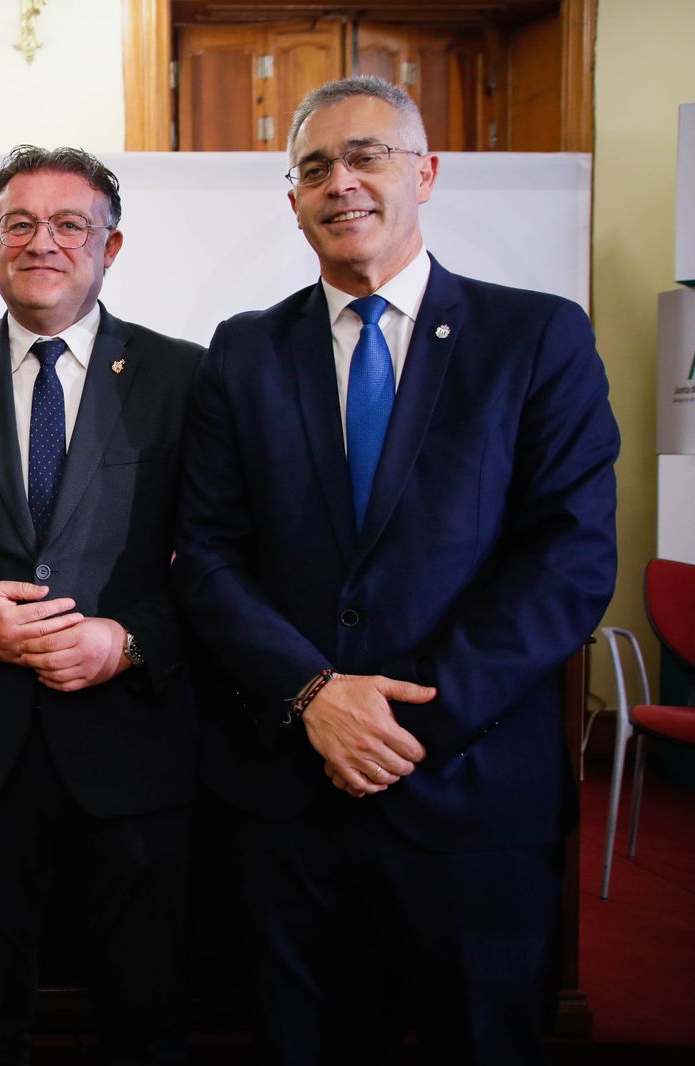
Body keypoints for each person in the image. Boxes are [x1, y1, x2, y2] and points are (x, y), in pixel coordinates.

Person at [173, 76, 620, 1064]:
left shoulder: (536, 337)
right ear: (291, 197)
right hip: (288, 803)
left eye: (366, 155)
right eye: (315, 167)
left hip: (468, 792)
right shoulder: (243, 353)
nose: (342, 183)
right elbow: (205, 556)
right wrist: (312, 696)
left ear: (424, 172)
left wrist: (395, 723)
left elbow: (569, 559)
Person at [0, 145, 202, 1064]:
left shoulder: (183, 377)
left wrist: (131, 640)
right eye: (21, 224)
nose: (44, 242)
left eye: (71, 224)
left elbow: (222, 563)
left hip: (133, 746)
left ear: (112, 245)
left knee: (144, 1020)